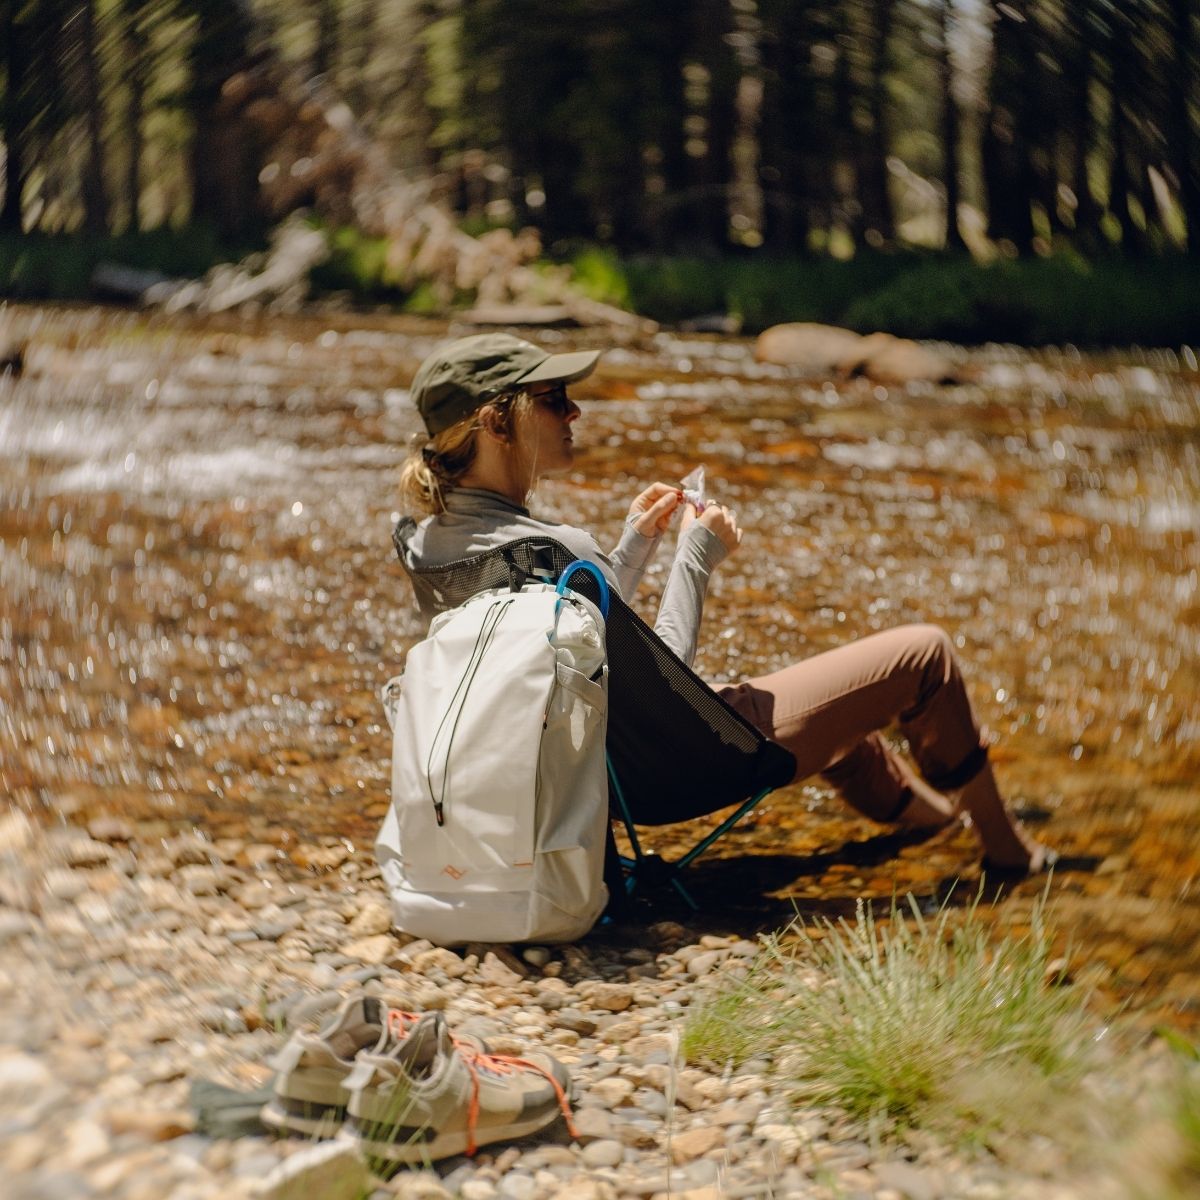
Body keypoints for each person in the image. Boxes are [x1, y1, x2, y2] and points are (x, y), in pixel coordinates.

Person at [395, 333, 1051, 875]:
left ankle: (944, 816)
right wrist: (695, 559)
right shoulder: (554, 547)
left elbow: (565, 651)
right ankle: (1007, 854)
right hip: (673, 769)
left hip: (593, 777)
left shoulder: (426, 540)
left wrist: (628, 551)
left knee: (843, 723)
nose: (575, 414)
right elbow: (668, 682)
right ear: (493, 422)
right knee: (924, 655)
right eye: (554, 399)